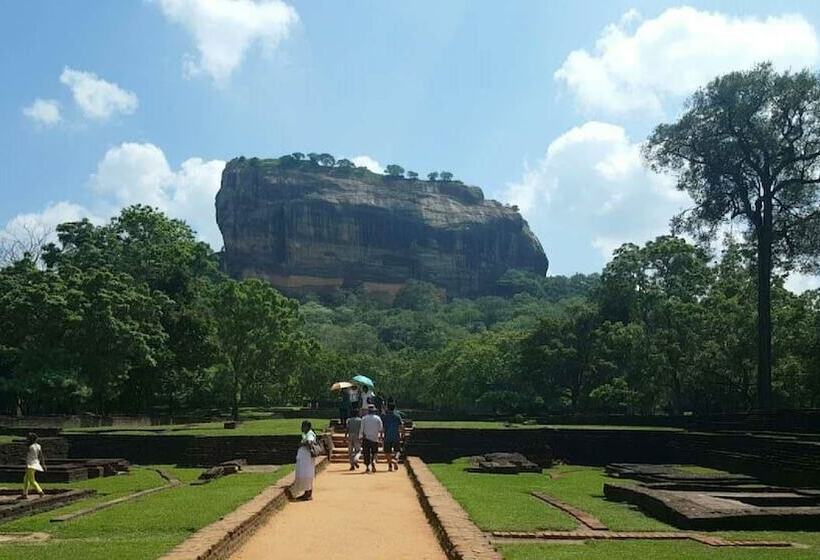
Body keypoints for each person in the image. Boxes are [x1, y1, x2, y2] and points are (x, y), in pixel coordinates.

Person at [290, 421, 316, 501]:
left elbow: (310, 442)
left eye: (303, 426)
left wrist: (302, 444)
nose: (301, 428)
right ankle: (307, 493)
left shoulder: (310, 434)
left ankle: (308, 494)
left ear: (307, 427)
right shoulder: (306, 434)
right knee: (306, 475)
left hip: (307, 459)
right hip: (305, 459)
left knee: (306, 475)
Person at [20, 432, 45, 499]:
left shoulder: (30, 447)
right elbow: (41, 456)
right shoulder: (38, 446)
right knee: (26, 479)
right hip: (35, 463)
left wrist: (26, 464)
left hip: (30, 464)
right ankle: (24, 494)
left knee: (31, 480)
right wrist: (43, 464)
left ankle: (40, 492)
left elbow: (27, 456)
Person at [360, 404, 383, 473]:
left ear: (368, 411)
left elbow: (361, 429)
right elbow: (381, 429)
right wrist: (381, 437)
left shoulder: (364, 418)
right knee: (374, 452)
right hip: (375, 438)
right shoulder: (378, 418)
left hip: (366, 438)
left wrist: (360, 437)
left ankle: (367, 467)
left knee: (366, 453)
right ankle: (373, 461)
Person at [381, 402, 403, 472]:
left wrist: (381, 435)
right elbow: (401, 426)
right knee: (398, 450)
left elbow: (383, 428)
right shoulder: (397, 416)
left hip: (387, 436)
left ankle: (390, 465)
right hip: (396, 436)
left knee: (387, 452)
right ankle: (395, 459)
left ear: (388, 408)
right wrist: (402, 434)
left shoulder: (385, 417)